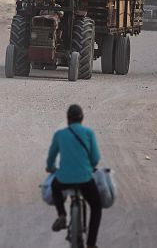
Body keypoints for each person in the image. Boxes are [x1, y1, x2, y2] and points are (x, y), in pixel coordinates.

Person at [47, 104, 102, 248]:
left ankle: (62, 215)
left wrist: (50, 168)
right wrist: (90, 167)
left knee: (54, 185)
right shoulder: (89, 133)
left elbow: (51, 157)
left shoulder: (60, 134)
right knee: (96, 206)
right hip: (85, 179)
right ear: (82, 118)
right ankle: (91, 244)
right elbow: (95, 158)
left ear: (67, 119)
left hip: (64, 179)